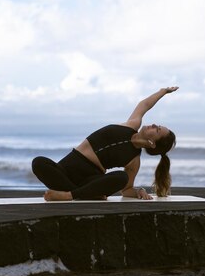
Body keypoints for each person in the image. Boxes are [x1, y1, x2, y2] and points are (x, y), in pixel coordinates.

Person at [32, 86, 178, 201]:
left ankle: (68, 195)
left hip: (89, 180)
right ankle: (81, 195)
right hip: (65, 170)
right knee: (38, 163)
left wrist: (139, 190)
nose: (153, 124)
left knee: (122, 177)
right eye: (157, 125)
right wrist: (162, 92)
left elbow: (126, 189)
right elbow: (145, 104)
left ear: (152, 143)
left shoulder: (134, 161)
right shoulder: (132, 124)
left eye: (157, 129)